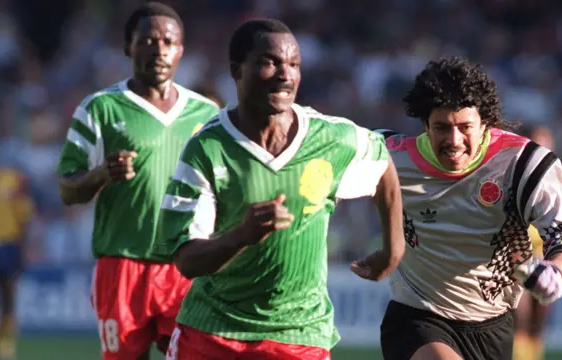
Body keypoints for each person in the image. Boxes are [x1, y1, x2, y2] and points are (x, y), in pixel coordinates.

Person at [157, 19, 405, 360]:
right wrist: (241, 235)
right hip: (212, 331)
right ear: (236, 70)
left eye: (293, 64)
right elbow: (186, 260)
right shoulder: (206, 149)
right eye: (269, 62)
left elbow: (382, 163)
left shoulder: (332, 137)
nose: (284, 74)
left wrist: (393, 248)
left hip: (299, 335)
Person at [374, 57, 562, 360]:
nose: (454, 141)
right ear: (425, 123)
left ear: (485, 123)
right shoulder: (388, 155)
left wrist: (556, 270)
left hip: (493, 328)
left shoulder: (523, 165)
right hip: (417, 318)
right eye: (441, 127)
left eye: (465, 127)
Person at [56, 2, 219, 359]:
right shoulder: (100, 108)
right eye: (147, 40)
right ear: (128, 47)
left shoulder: (207, 115)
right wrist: (101, 174)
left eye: (168, 41)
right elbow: (67, 189)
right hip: (122, 265)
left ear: (181, 50)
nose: (159, 49)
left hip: (185, 266)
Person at [512, 125, 562, 360]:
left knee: (539, 319)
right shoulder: (514, 173)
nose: (543, 149)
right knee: (519, 316)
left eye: (546, 143)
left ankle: (533, 355)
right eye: (537, 143)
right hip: (518, 254)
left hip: (548, 254)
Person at [0, 134, 34, 360]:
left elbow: (23, 214)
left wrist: (24, 247)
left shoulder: (10, 180)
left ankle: (6, 349)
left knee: (8, 301)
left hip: (8, 246)